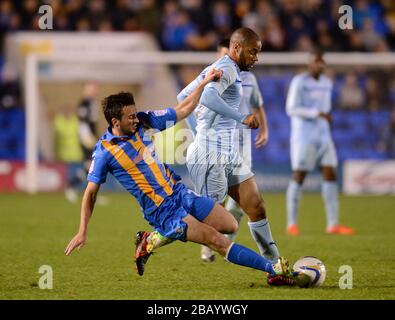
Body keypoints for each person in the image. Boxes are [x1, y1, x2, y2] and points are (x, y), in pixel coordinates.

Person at [64, 69, 293, 286]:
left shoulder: (143, 121)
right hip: (163, 210)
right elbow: (90, 193)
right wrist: (83, 230)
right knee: (217, 241)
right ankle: (273, 270)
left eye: (135, 114)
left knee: (229, 224)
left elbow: (183, 109)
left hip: (180, 192)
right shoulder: (104, 152)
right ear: (115, 122)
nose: (136, 119)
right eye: (130, 117)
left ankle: (150, 240)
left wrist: (204, 83)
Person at [177, 28, 281, 270]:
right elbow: (208, 98)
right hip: (209, 155)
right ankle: (153, 238)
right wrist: (240, 116)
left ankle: (276, 265)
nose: (256, 57)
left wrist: (202, 123)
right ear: (237, 48)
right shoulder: (226, 68)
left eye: (258, 53)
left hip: (228, 152)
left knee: (256, 206)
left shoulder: (225, 68)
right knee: (212, 222)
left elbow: (185, 94)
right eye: (253, 52)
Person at [285, 50, 355, 236]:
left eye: (321, 63)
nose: (318, 66)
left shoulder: (326, 82)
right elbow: (291, 108)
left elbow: (326, 107)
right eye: (315, 62)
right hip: (304, 136)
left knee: (330, 173)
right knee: (299, 175)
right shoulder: (299, 81)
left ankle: (333, 224)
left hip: (323, 135)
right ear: (310, 63)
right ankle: (291, 224)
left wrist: (324, 117)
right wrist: (316, 113)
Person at [64, 82, 100, 203]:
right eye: (91, 88)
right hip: (86, 138)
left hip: (90, 137)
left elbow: (92, 122)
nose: (94, 90)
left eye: (94, 88)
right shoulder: (84, 103)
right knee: (92, 167)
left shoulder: (92, 102)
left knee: (90, 168)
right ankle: (71, 187)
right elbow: (83, 124)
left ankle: (84, 192)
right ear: (85, 90)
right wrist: (89, 139)